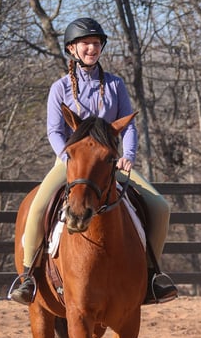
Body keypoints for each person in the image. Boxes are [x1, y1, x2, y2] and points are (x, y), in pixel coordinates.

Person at [9, 17, 178, 306]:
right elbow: (54, 130)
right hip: (71, 163)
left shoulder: (115, 84)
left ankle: (151, 274)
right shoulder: (59, 88)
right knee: (36, 207)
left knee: (160, 207)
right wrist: (68, 157)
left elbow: (129, 125)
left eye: (96, 43)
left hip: (110, 164)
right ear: (72, 49)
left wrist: (129, 156)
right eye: (86, 43)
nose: (92, 48)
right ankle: (28, 276)